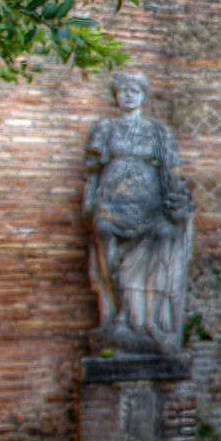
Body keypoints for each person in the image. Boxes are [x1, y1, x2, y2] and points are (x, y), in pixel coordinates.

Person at [83, 70, 194, 356]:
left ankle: (151, 320)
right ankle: (118, 312)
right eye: (123, 89)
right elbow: (93, 172)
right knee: (105, 236)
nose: (129, 95)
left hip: (151, 205)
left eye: (135, 89)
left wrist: (179, 200)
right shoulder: (104, 129)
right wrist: (89, 202)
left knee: (163, 236)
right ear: (116, 95)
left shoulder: (158, 131)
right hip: (112, 203)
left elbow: (173, 171)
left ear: (143, 95)